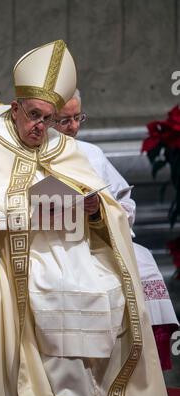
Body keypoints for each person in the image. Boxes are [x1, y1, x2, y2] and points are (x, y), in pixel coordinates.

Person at [0, 40, 169, 396]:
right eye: (34, 115)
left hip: (67, 241)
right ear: (15, 107)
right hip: (4, 247)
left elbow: (100, 196)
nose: (41, 127)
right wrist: (33, 208)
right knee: (53, 281)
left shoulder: (57, 143)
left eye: (49, 119)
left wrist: (93, 208)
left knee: (108, 280)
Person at [54, 90, 179, 370]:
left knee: (143, 260)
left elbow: (125, 202)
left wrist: (100, 209)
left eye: (78, 118)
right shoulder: (31, 159)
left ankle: (139, 370)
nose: (73, 127)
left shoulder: (91, 153)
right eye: (64, 121)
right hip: (55, 243)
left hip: (100, 237)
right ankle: (87, 374)